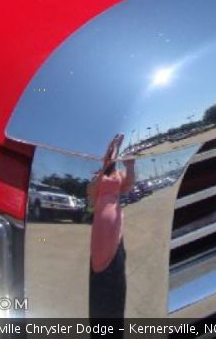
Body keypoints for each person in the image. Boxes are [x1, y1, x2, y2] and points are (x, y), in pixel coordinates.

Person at [87, 133, 134, 320]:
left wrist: (130, 165)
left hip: (115, 220)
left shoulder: (118, 175)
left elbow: (129, 184)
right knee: (99, 258)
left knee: (116, 256)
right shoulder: (98, 177)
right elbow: (91, 192)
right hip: (100, 223)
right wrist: (106, 162)